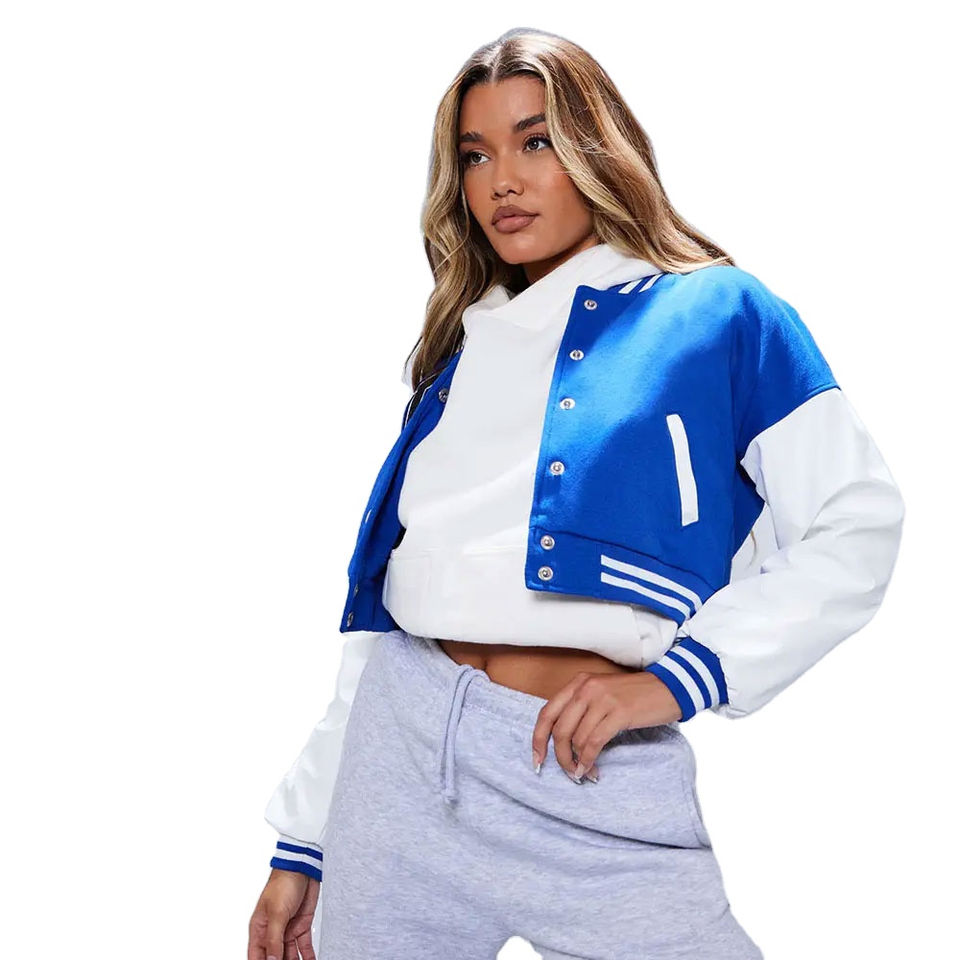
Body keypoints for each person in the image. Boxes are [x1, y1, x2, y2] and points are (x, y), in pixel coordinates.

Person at [247, 27, 905, 960]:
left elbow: (856, 521)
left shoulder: (719, 312)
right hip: (402, 763)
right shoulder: (459, 356)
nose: (502, 182)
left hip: (592, 772)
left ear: (596, 148)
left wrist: (682, 679)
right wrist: (305, 843)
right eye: (475, 156)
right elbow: (384, 625)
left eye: (536, 141)